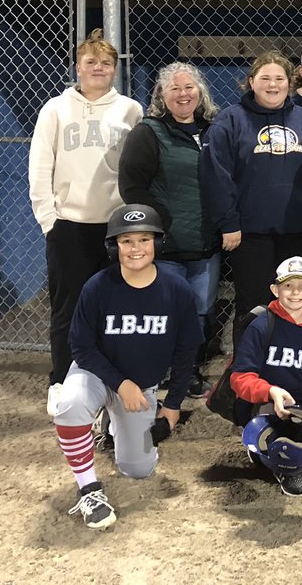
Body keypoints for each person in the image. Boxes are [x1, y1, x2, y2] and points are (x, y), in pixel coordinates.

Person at [51, 204, 202, 529]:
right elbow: (80, 346)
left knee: (138, 468)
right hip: (97, 373)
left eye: (144, 240)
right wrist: (121, 384)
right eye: (126, 241)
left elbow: (186, 350)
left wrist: (173, 404)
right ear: (113, 247)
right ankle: (89, 489)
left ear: (157, 244)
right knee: (69, 404)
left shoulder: (176, 291)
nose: (136, 249)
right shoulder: (98, 287)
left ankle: (114, 422)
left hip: (141, 385)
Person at [30, 28, 143, 414]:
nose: (98, 68)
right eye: (91, 62)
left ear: (115, 69)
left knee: (118, 308)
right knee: (69, 309)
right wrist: (50, 220)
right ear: (78, 66)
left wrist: (132, 222)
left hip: (116, 228)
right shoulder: (55, 109)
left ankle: (114, 382)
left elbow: (137, 167)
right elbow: (40, 167)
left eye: (106, 63)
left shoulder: (130, 110)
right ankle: (61, 381)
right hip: (70, 226)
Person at [201, 51, 302, 345]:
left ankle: (291, 366)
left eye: (279, 79)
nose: (273, 85)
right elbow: (217, 177)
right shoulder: (230, 121)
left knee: (296, 303)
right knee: (253, 305)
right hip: (250, 234)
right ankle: (247, 375)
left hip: (299, 230)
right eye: (265, 78)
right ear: (251, 82)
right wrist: (229, 222)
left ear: (290, 83)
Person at [118, 61, 220, 397]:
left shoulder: (212, 130)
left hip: (207, 244)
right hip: (169, 245)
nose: (183, 94)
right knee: (165, 312)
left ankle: (187, 374)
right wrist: (160, 221)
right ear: (162, 94)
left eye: (189, 87)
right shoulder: (149, 132)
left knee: (199, 312)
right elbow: (132, 185)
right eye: (174, 88)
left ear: (200, 92)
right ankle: (157, 372)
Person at [229, 256, 302, 497]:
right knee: (283, 442)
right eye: (287, 286)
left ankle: (270, 453)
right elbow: (239, 378)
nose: (295, 293)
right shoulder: (262, 325)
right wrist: (270, 391)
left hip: (299, 410)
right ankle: (275, 460)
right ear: (275, 289)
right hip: (265, 407)